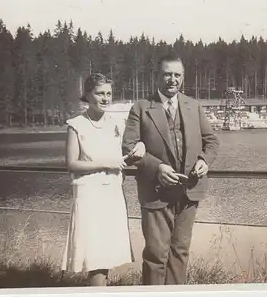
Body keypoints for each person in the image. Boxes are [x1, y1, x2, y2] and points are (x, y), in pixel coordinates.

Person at [122, 52, 220, 285]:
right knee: (156, 256)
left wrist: (204, 160)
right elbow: (128, 146)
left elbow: (212, 141)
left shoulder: (194, 106)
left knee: (180, 253)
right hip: (156, 193)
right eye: (167, 74)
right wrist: (157, 168)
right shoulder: (141, 108)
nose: (172, 80)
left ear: (183, 77)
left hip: (188, 193)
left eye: (177, 75)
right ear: (157, 76)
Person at [62, 73, 145, 286]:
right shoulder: (76, 125)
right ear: (88, 95)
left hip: (112, 193)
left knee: (106, 256)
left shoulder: (117, 123)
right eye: (100, 93)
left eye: (109, 93)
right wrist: (106, 163)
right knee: (94, 258)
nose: (105, 98)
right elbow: (72, 164)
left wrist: (139, 148)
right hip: (89, 194)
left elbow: (129, 149)